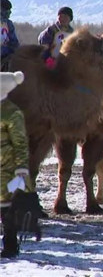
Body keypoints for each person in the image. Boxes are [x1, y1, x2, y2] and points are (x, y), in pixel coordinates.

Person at [0, 77, 32, 258]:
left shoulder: (12, 113)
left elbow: (20, 143)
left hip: (6, 168)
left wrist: (21, 168)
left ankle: (10, 246)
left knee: (6, 209)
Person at [1, 0, 19, 71]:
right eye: (7, 10)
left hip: (4, 57)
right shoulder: (8, 24)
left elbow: (14, 43)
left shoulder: (8, 24)